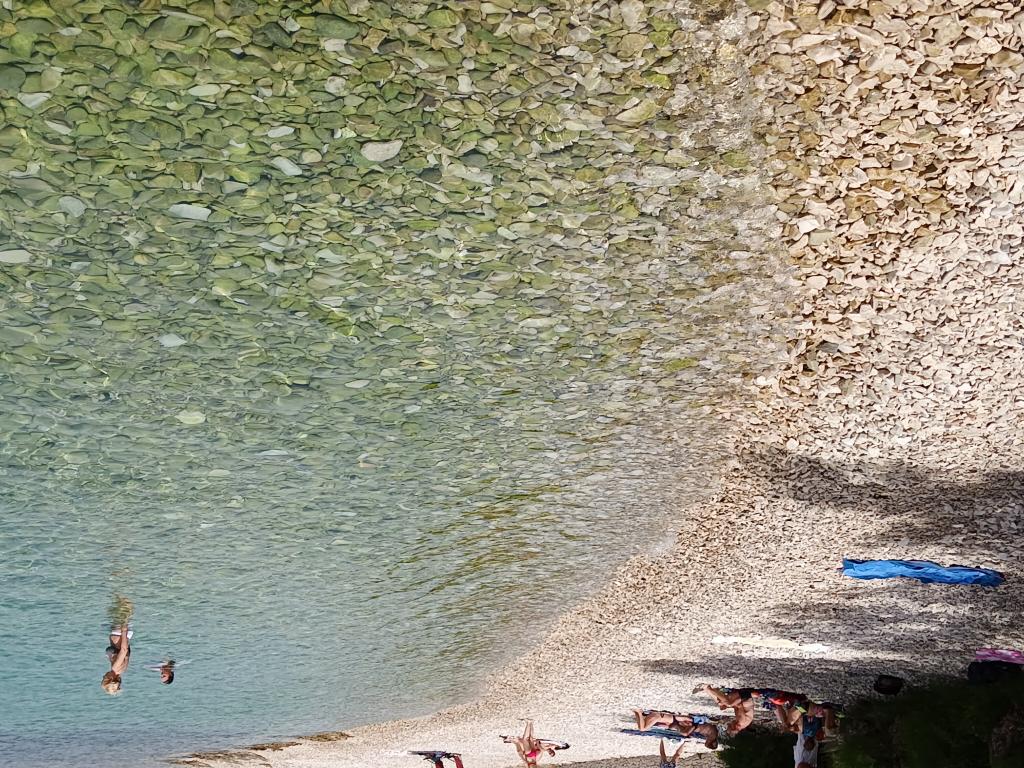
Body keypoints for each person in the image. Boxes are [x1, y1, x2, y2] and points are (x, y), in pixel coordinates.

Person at [630, 709, 720, 749]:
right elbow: (696, 726)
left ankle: (638, 713)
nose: (705, 741)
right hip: (661, 717)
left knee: (643, 727)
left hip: (669, 719)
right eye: (707, 742)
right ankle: (638, 712)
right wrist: (688, 730)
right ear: (712, 742)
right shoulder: (712, 733)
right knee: (642, 729)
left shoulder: (710, 734)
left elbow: (695, 727)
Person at [501, 720, 569, 767]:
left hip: (534, 755)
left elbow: (539, 754)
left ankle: (531, 723)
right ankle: (528, 723)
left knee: (531, 738)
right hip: (529, 754)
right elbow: (525, 760)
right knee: (525, 739)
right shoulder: (529, 765)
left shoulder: (536, 762)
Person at [102, 623, 131, 695]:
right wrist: (124, 630)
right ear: (111, 679)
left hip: (124, 634)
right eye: (104, 679)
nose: (103, 676)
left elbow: (127, 653)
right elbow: (124, 650)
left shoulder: (122, 670)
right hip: (119, 631)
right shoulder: (115, 668)